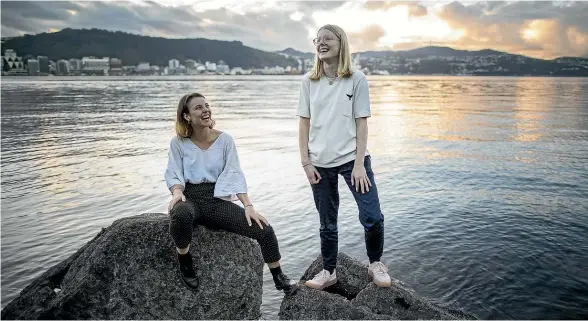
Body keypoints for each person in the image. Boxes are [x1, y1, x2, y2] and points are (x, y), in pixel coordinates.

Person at [165, 92, 298, 295]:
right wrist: (176, 193)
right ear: (187, 116)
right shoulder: (178, 143)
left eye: (206, 105)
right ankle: (184, 259)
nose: (205, 110)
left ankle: (278, 276)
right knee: (180, 213)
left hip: (216, 200)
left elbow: (234, 173)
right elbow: (173, 172)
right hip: (190, 198)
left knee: (264, 229)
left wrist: (249, 206)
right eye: (198, 107)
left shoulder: (225, 140)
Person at [297, 24, 391, 290]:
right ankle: (329, 271)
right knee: (327, 222)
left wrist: (359, 164)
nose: (321, 42)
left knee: (372, 216)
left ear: (341, 44)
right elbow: (304, 124)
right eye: (318, 39)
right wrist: (305, 162)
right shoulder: (308, 81)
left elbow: (362, 123)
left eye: (328, 38)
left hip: (353, 160)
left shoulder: (356, 79)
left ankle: (375, 264)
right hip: (319, 163)